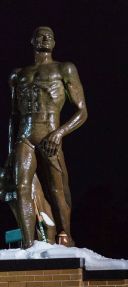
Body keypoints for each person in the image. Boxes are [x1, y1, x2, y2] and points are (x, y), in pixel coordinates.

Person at [7, 26, 87, 248]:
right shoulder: (18, 74)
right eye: (41, 35)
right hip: (24, 137)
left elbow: (82, 111)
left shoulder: (64, 69)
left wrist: (59, 133)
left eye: (50, 36)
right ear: (31, 40)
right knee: (21, 187)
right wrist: (10, 152)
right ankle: (27, 244)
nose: (46, 38)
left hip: (49, 137)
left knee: (57, 189)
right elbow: (13, 117)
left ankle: (66, 236)